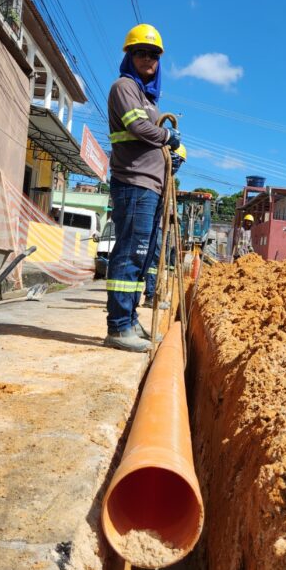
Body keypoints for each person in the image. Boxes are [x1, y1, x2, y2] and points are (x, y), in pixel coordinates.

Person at [104, 24, 182, 352]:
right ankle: (118, 326)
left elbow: (148, 130)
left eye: (153, 54)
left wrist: (169, 154)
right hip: (134, 182)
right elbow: (137, 126)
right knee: (130, 253)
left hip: (151, 186)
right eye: (141, 53)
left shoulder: (147, 98)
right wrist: (167, 137)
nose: (148, 59)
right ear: (129, 55)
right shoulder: (124, 87)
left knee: (143, 255)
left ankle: (130, 319)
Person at [141, 144, 185, 310]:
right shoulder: (162, 178)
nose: (178, 165)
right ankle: (151, 296)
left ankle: (151, 295)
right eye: (179, 161)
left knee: (154, 261)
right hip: (157, 227)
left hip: (159, 227)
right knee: (154, 262)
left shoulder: (166, 178)